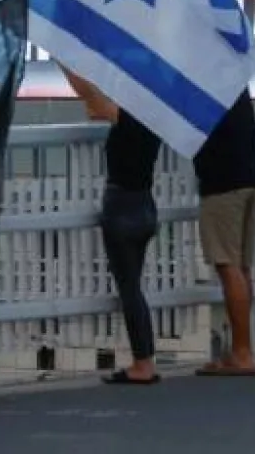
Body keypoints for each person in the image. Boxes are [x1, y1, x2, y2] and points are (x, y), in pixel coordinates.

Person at [60, 66, 162, 385]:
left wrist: (61, 57)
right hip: (146, 204)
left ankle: (143, 363)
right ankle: (145, 359)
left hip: (122, 207)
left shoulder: (126, 117)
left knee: (129, 289)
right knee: (135, 288)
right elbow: (97, 107)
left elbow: (87, 93)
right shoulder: (154, 119)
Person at [191, 89, 255, 377]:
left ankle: (242, 353)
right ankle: (240, 348)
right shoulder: (232, 75)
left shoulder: (198, 82)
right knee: (243, 267)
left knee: (228, 266)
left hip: (222, 183)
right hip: (254, 177)